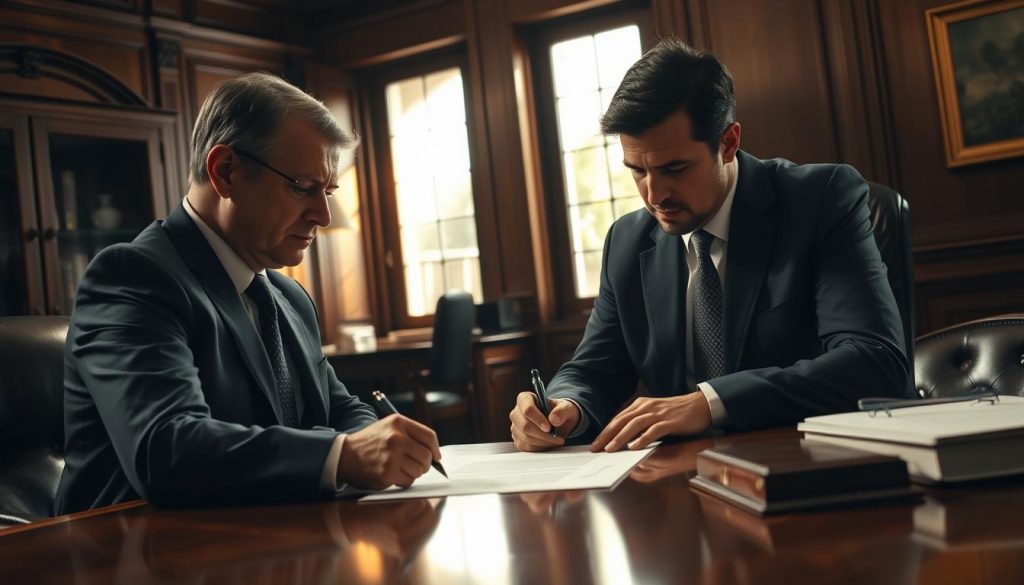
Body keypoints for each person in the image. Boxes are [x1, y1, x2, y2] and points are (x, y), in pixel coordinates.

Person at [56, 72, 441, 513]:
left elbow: (343, 410)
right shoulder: (133, 277)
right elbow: (166, 451)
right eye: (303, 187)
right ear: (225, 172)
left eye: (328, 191)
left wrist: (366, 440)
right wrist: (343, 455)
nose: (323, 215)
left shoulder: (287, 296)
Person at [510, 40, 910, 453]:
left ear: (729, 142)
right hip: (682, 483)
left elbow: (875, 362)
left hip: (814, 467)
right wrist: (563, 407)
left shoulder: (820, 200)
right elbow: (594, 369)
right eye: (637, 171)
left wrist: (712, 402)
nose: (654, 195)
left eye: (675, 169)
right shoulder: (627, 242)